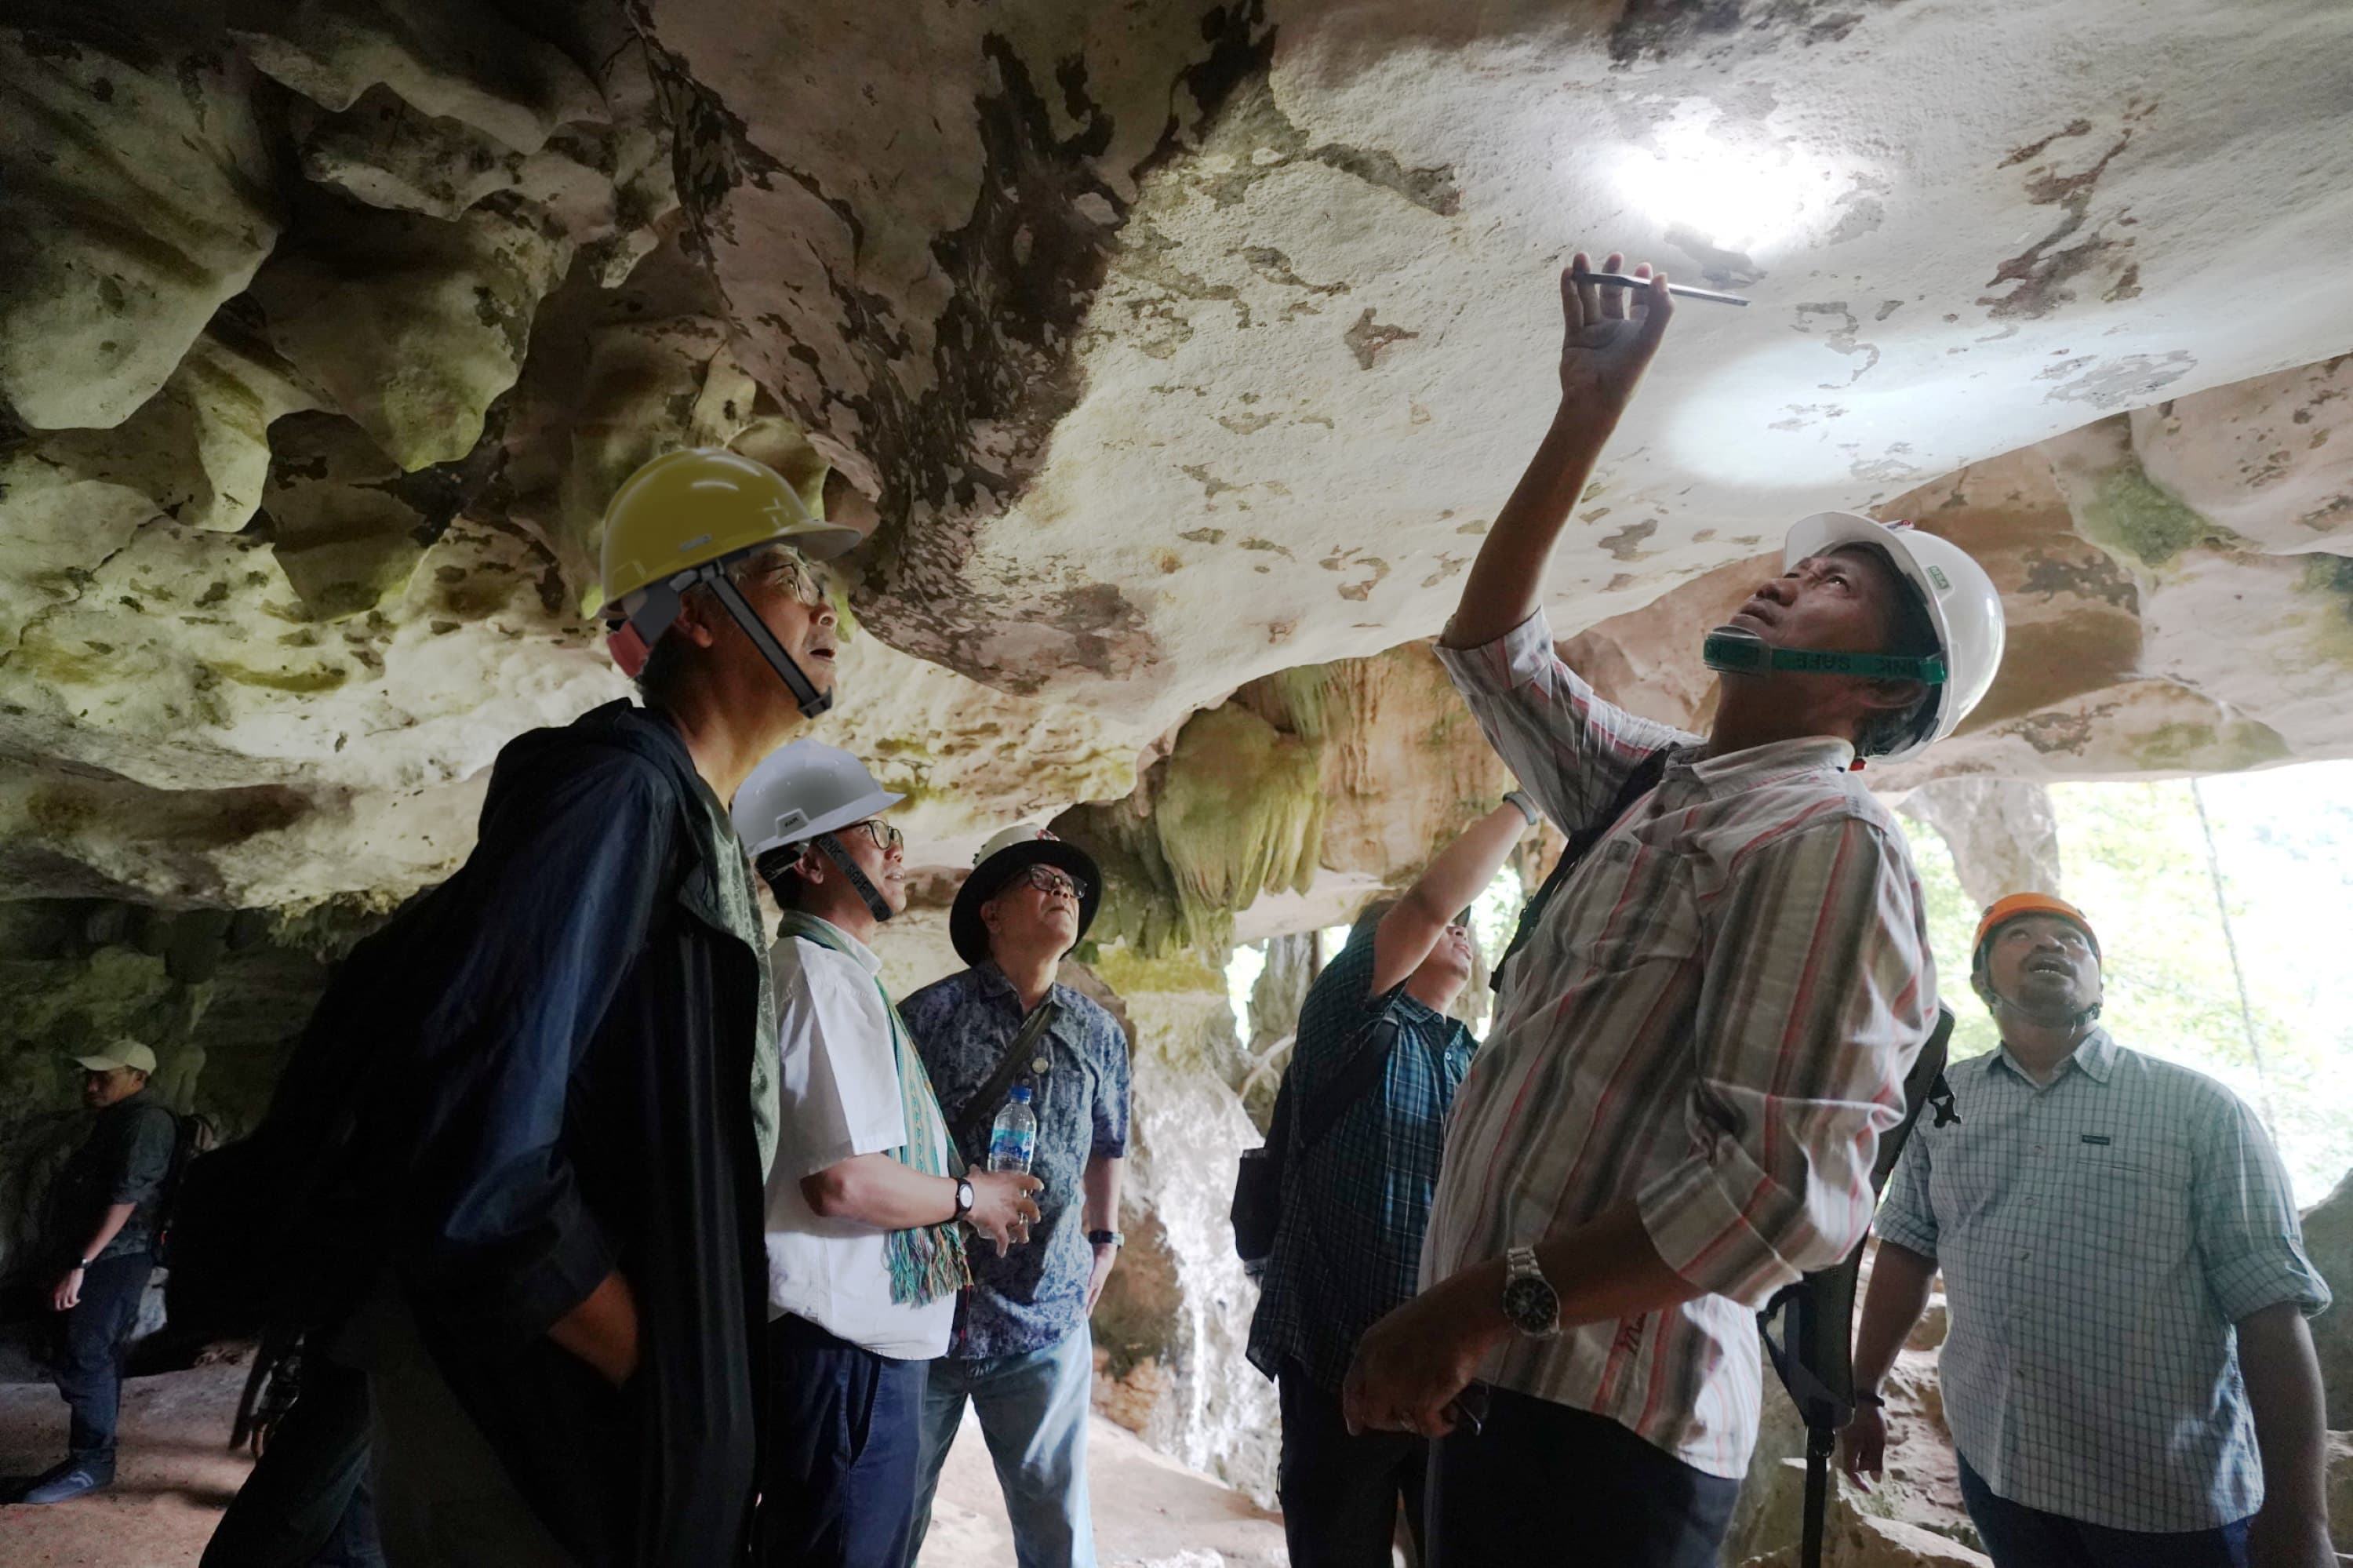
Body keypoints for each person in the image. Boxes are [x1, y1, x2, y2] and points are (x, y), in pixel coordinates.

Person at [1338, 253, 2008, 1567]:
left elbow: (1784, 1197)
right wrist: (1588, 409)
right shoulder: (1650, 782)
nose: (1787, 577)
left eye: (1838, 584)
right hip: (1500, 1381)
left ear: (1883, 686)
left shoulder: (1831, 838)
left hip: (1605, 1432)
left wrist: (1483, 1300)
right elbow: (1492, 649)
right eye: (1801, 564)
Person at [333, 447, 865, 1567]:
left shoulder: (691, 825)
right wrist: (653, 1363)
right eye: (790, 577)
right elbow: (482, 1152)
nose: (827, 609)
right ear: (703, 615)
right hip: (539, 1442)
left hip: (609, 1448)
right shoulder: (613, 793)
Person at [1843, 893, 2336, 1568]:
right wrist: (1863, 1387)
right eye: (2018, 934)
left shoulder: (2199, 1110)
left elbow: (2272, 1312)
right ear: (1984, 982)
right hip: (1999, 1472)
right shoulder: (1943, 1103)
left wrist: (2299, 1515)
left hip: (2166, 1504)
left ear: (2101, 985)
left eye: (2073, 940)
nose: (2051, 944)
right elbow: (1906, 1247)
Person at [732, 740, 1042, 1567]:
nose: (897, 847)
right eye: (872, 830)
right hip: (842, 1361)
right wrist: (969, 1198)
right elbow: (844, 1181)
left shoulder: (837, 975)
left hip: (857, 1359)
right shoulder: (815, 978)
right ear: (810, 858)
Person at [1246, 795, 1539, 1566]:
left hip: (1446, 1369)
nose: (1461, 931)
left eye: (1466, 928)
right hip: (1339, 1367)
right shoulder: (1350, 1020)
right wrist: (1529, 802)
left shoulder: (1470, 1060)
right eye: (1447, 925)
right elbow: (1429, 899)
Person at [900, 825, 1131, 1568]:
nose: (1064, 889)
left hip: (1044, 1320)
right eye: (1041, 877)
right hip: (927, 1314)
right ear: (991, 912)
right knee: (885, 1518)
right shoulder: (926, 1016)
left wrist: (1107, 1238)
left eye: (1072, 885)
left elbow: (1109, 1144)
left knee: (1058, 1536)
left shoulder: (1099, 1032)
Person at [13, 1040, 177, 1505]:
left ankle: (93, 1463)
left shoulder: (146, 1121)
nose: (91, 1084)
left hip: (117, 1258)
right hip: (101, 1256)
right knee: (86, 1349)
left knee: (86, 1353)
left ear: (138, 1078)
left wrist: (81, 1265)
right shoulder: (120, 1120)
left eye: (105, 1076)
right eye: (89, 1076)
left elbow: (125, 1199)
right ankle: (87, 1457)